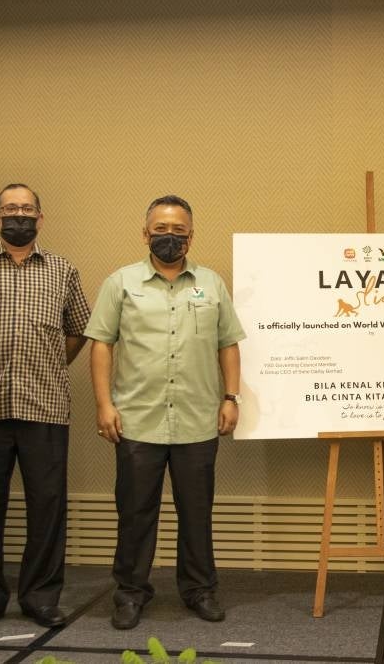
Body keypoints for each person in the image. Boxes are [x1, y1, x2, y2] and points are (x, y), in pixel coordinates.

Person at [85, 194, 245, 631]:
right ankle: (131, 592)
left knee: (197, 513)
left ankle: (200, 590)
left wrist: (231, 398)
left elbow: (227, 343)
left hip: (198, 420)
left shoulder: (211, 284)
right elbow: (102, 344)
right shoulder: (121, 283)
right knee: (135, 513)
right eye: (161, 230)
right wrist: (104, 405)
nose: (169, 237)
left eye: (178, 231)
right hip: (137, 419)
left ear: (191, 235)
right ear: (145, 234)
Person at [0, 184, 91, 635]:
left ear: (40, 217)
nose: (20, 215)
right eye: (11, 209)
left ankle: (40, 598)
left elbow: (77, 331)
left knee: (48, 508)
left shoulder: (62, 270)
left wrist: (47, 363)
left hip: (46, 405)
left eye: (27, 209)